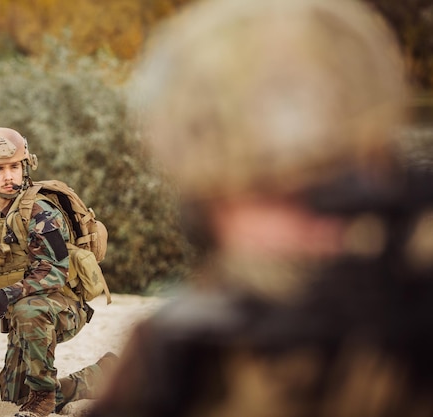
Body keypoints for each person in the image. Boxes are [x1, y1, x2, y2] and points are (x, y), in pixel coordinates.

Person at [89, 0, 433, 416]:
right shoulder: (184, 353)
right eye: (265, 194)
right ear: (206, 211)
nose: (306, 225)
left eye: (333, 185)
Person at [0, 127, 117, 417]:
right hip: (24, 311)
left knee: (28, 311)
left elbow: (55, 271)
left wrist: (7, 295)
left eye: (14, 167)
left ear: (25, 166)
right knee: (12, 399)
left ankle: (43, 398)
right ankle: (100, 377)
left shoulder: (39, 210)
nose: (8, 176)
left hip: (60, 306)